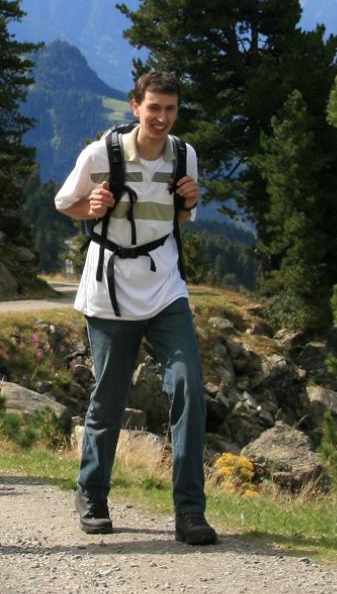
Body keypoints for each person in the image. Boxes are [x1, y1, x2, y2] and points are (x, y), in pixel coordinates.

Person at [55, 71, 218, 546]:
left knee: (188, 385)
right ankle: (92, 494)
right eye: (154, 108)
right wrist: (94, 206)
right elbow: (65, 203)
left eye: (169, 109)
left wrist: (189, 202)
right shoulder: (101, 154)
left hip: (165, 288)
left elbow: (179, 216)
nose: (162, 118)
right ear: (135, 107)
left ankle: (190, 511)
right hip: (110, 291)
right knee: (108, 396)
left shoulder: (185, 156)